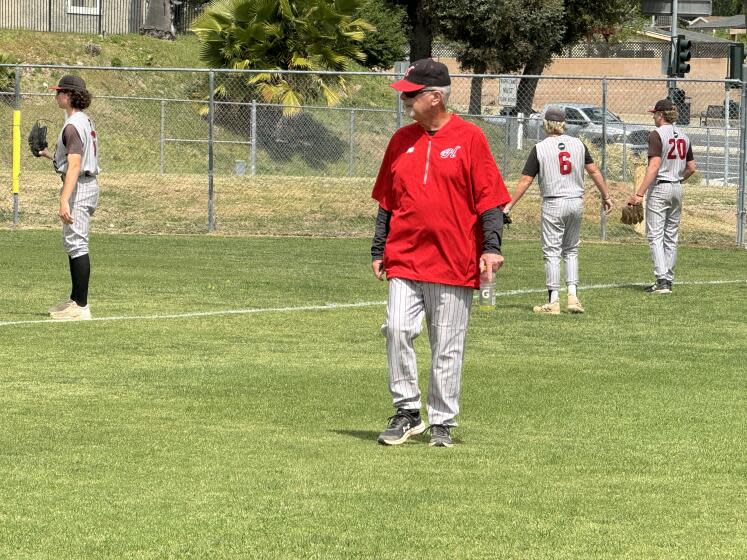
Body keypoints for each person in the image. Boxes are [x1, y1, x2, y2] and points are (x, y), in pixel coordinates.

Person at [370, 58, 511, 447]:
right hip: (405, 257)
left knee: (446, 345)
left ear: (435, 97)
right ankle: (407, 411)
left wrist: (492, 247)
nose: (405, 102)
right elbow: (387, 200)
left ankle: (442, 421)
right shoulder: (401, 141)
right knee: (397, 329)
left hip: (453, 260)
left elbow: (490, 201)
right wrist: (379, 247)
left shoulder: (470, 138)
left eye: (411, 95)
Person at [505, 107, 613, 315]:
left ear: (546, 124)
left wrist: (509, 205)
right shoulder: (578, 144)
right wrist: (606, 195)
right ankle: (572, 296)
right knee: (571, 249)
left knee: (552, 251)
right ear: (564, 125)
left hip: (554, 202)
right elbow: (594, 170)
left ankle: (554, 300)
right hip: (575, 202)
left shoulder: (540, 147)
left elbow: (526, 180)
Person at [39, 75, 101, 320]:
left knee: (78, 244)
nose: (56, 96)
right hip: (83, 183)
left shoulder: (73, 125)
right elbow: (71, 160)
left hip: (80, 186)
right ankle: (75, 300)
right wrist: (46, 153)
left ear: (69, 95)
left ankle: (82, 307)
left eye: (59, 92)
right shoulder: (82, 120)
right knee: (73, 243)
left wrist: (64, 199)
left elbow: (75, 165)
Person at [627, 98, 696, 294]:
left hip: (661, 188)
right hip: (677, 187)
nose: (654, 117)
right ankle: (668, 279)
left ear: (660, 115)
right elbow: (692, 168)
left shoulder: (657, 135)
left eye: (655, 114)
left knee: (655, 235)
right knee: (671, 235)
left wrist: (639, 193)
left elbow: (654, 167)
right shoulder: (684, 136)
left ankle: (661, 281)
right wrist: (678, 179)